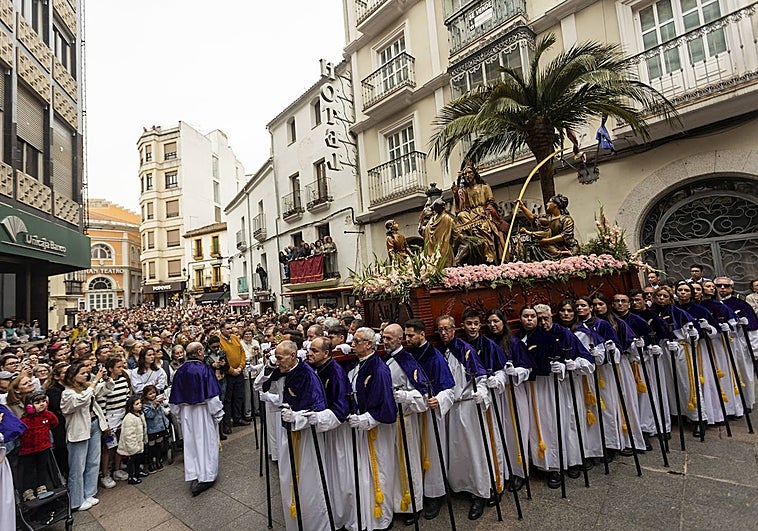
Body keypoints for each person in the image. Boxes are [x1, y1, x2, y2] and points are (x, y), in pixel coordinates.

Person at [264, 340, 330, 531]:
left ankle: (315, 525)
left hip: (307, 437)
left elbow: (317, 408)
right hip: (288, 432)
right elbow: (264, 386)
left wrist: (297, 417)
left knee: (309, 483)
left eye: (279, 357)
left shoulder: (306, 375)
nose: (276, 361)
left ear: (293, 356)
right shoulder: (284, 372)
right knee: (288, 478)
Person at [435, 314, 491, 520]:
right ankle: (460, 486)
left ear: (454, 329)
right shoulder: (441, 351)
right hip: (450, 407)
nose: (443, 333)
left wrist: (482, 393)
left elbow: (481, 376)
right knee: (457, 451)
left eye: (447, 329)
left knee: (474, 449)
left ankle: (481, 492)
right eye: (440, 330)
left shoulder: (465, 350)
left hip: (467, 405)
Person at [403, 319, 455, 519]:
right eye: (406, 336)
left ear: (422, 335)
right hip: (413, 412)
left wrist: (439, 399)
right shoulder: (407, 355)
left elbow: (449, 387)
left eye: (411, 336)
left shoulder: (434, 357)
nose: (408, 339)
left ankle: (435, 494)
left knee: (432, 454)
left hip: (431, 412)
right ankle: (417, 495)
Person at [347, 327, 398, 530]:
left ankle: (383, 518)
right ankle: (368, 515)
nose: (352, 344)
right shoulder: (359, 365)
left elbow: (386, 405)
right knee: (365, 474)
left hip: (376, 430)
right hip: (362, 428)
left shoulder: (378, 369)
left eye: (357, 341)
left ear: (369, 344)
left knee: (381, 471)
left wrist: (366, 419)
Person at [304, 336, 355, 530]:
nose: (310, 353)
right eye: (310, 349)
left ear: (326, 353)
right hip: (324, 430)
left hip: (337, 431)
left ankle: (345, 517)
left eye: (315, 351)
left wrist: (319, 418)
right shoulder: (316, 369)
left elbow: (341, 406)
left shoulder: (335, 372)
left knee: (341, 476)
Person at [381, 323, 429, 526]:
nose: (385, 342)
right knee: (391, 465)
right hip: (388, 421)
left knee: (408, 464)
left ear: (400, 339)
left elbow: (423, 393)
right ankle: (393, 504)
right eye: (383, 338)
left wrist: (406, 396)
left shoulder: (407, 361)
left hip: (405, 420)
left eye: (389, 338)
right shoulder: (384, 358)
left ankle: (413, 505)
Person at [168, 342, 224, 497]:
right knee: (206, 442)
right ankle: (207, 475)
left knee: (192, 444)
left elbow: (174, 399)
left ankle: (195, 474)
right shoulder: (204, 370)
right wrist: (218, 413)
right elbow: (212, 396)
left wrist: (179, 414)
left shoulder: (179, 371)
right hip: (203, 412)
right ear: (199, 352)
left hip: (187, 413)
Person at [61, 361, 109, 511]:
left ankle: (89, 493)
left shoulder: (86, 388)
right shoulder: (67, 393)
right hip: (79, 431)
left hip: (93, 425)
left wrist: (106, 379)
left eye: (86, 372)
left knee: (93, 461)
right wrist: (94, 382)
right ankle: (76, 500)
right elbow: (80, 401)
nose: (86, 375)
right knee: (77, 467)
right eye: (82, 373)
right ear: (72, 376)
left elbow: (105, 389)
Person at [452, 162, 503, 264]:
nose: (467, 175)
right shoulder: (465, 190)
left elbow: (491, 201)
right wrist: (455, 194)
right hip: (471, 213)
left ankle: (489, 252)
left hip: (484, 212)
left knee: (485, 227)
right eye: (465, 174)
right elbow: (459, 208)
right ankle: (474, 231)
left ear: (474, 173)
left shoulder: (484, 187)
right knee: (462, 215)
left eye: (469, 172)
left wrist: (486, 211)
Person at [18, 391, 59, 501]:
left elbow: (54, 423)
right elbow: (19, 433)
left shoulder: (48, 415)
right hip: (28, 450)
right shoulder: (24, 420)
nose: (42, 404)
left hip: (43, 447)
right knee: (29, 470)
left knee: (42, 468)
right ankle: (28, 490)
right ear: (29, 406)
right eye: (37, 402)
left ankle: (42, 487)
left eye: (43, 401)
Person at [516, 194, 579, 259]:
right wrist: (522, 207)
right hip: (548, 248)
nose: (547, 204)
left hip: (564, 247)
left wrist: (547, 241)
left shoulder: (566, 219)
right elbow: (533, 218)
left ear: (555, 204)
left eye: (549, 202)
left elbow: (565, 235)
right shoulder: (546, 218)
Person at [218, 321, 249, 433]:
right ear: (221, 330)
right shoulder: (219, 341)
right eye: (227, 328)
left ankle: (237, 418)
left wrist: (241, 367)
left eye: (231, 328)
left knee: (238, 397)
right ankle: (227, 423)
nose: (230, 330)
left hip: (239, 372)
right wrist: (231, 370)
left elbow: (242, 353)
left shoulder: (235, 338)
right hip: (228, 374)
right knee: (228, 399)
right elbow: (221, 359)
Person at [117, 395, 148, 485]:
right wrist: (133, 447)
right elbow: (129, 435)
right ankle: (132, 476)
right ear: (131, 406)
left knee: (138, 460)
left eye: (140, 403)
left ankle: (138, 471)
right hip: (132, 446)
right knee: (131, 462)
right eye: (137, 404)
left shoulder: (139, 414)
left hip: (138, 443)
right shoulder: (129, 418)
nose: (140, 405)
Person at [142, 384, 170, 472]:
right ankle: (151, 463)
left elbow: (162, 413)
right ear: (145, 395)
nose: (153, 395)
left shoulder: (158, 401)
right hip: (152, 428)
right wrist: (154, 406)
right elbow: (149, 415)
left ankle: (158, 461)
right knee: (151, 446)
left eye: (154, 393)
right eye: (150, 394)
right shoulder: (145, 405)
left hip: (160, 426)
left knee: (159, 444)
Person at [422, 198, 457, 267]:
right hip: (445, 250)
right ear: (443, 207)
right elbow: (456, 234)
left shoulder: (430, 221)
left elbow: (425, 235)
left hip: (432, 254)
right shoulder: (448, 219)